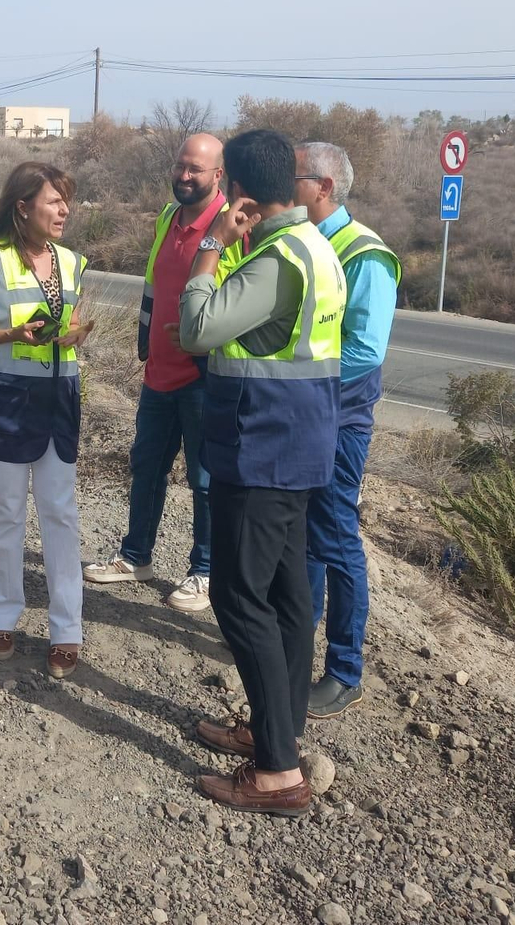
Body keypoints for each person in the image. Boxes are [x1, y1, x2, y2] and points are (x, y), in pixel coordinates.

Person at [176, 129, 346, 817]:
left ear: (240, 190)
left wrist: (214, 243)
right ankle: (277, 730)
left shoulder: (275, 257)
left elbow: (198, 327)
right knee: (285, 597)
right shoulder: (318, 246)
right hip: (300, 442)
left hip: (263, 445)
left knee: (241, 599)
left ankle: (277, 771)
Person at [0, 162, 94, 679]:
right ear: (23, 206)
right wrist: (10, 334)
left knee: (61, 514)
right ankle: (1, 617)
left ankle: (66, 631)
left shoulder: (73, 263)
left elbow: (72, 321)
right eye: (54, 201)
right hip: (5, 402)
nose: (64, 211)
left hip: (59, 402)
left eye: (66, 201)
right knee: (7, 512)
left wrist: (75, 333)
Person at [84, 134, 224, 612]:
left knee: (205, 482)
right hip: (159, 372)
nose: (184, 177)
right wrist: (145, 341)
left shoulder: (231, 227)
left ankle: (205, 572)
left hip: (204, 378)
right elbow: (154, 284)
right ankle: (135, 556)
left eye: (196, 170)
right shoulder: (168, 216)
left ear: (217, 175)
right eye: (180, 166)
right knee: (147, 467)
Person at [293, 142, 400, 718]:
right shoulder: (306, 242)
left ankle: (344, 670)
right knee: (309, 531)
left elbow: (363, 349)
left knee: (335, 537)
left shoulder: (364, 255)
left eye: (296, 178)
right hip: (306, 414)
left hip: (338, 418)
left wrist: (295, 380)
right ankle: (296, 641)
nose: (288, 188)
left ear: (325, 186)